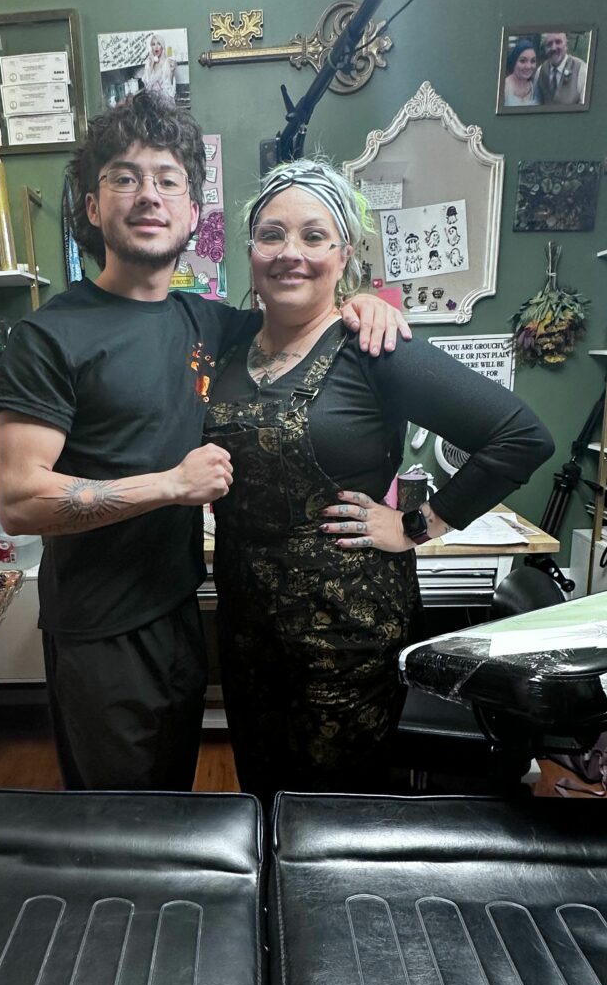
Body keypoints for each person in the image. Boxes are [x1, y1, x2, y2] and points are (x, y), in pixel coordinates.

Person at [0, 92, 409, 793]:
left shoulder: (211, 323)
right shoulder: (49, 335)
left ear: (192, 213)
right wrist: (171, 486)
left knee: (177, 816)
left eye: (168, 179)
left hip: (182, 613)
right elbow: (19, 501)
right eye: (124, 177)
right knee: (123, 831)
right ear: (92, 206)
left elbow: (301, 310)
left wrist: (362, 303)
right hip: (100, 632)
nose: (148, 195)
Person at [203, 158, 555, 804]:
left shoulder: (374, 348)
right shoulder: (225, 347)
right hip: (246, 631)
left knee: (332, 809)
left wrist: (416, 525)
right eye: (272, 235)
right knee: (260, 793)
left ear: (343, 256)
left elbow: (521, 437)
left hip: (346, 634)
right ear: (250, 253)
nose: (290, 252)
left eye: (314, 236)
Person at [536, 32, 588, 105]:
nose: (553, 48)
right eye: (549, 44)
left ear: (566, 45)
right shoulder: (540, 71)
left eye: (558, 42)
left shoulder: (582, 70)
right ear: (544, 48)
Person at [502, 38, 539, 107]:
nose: (528, 66)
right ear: (514, 62)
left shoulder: (534, 87)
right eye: (523, 61)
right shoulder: (503, 87)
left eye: (533, 61)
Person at [139, 34, 177, 102]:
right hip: (152, 101)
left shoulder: (167, 62)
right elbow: (147, 86)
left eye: (159, 44)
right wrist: (152, 64)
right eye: (153, 44)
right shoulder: (148, 63)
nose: (156, 47)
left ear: (162, 47)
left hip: (166, 101)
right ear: (151, 47)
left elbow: (169, 88)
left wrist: (172, 71)